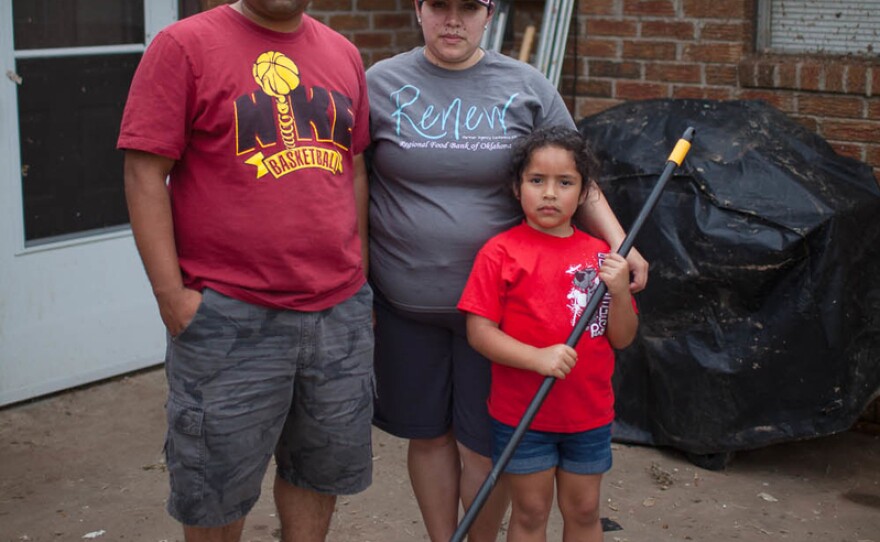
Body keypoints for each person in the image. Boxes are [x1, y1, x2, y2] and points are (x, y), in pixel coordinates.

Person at [365, 0, 648, 540]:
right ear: (418, 10)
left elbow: (574, 175)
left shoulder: (526, 84)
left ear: (488, 14)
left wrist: (620, 241)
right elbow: (353, 178)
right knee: (426, 436)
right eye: (439, 6)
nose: (454, 20)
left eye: (468, 8)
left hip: (503, 316)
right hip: (407, 303)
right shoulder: (380, 82)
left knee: (484, 442)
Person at [117, 1, 373, 541]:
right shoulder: (183, 47)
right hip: (230, 317)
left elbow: (352, 167)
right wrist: (174, 299)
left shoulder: (344, 53)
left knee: (318, 473)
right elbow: (144, 171)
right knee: (215, 490)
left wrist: (359, 278)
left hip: (337, 313)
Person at [458, 126, 639, 541]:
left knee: (585, 508)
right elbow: (479, 333)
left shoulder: (601, 257)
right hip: (524, 414)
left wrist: (620, 291)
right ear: (517, 186)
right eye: (537, 180)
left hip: (588, 413)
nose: (550, 193)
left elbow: (624, 337)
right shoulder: (500, 253)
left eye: (565, 182)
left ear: (584, 191)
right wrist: (537, 358)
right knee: (530, 511)